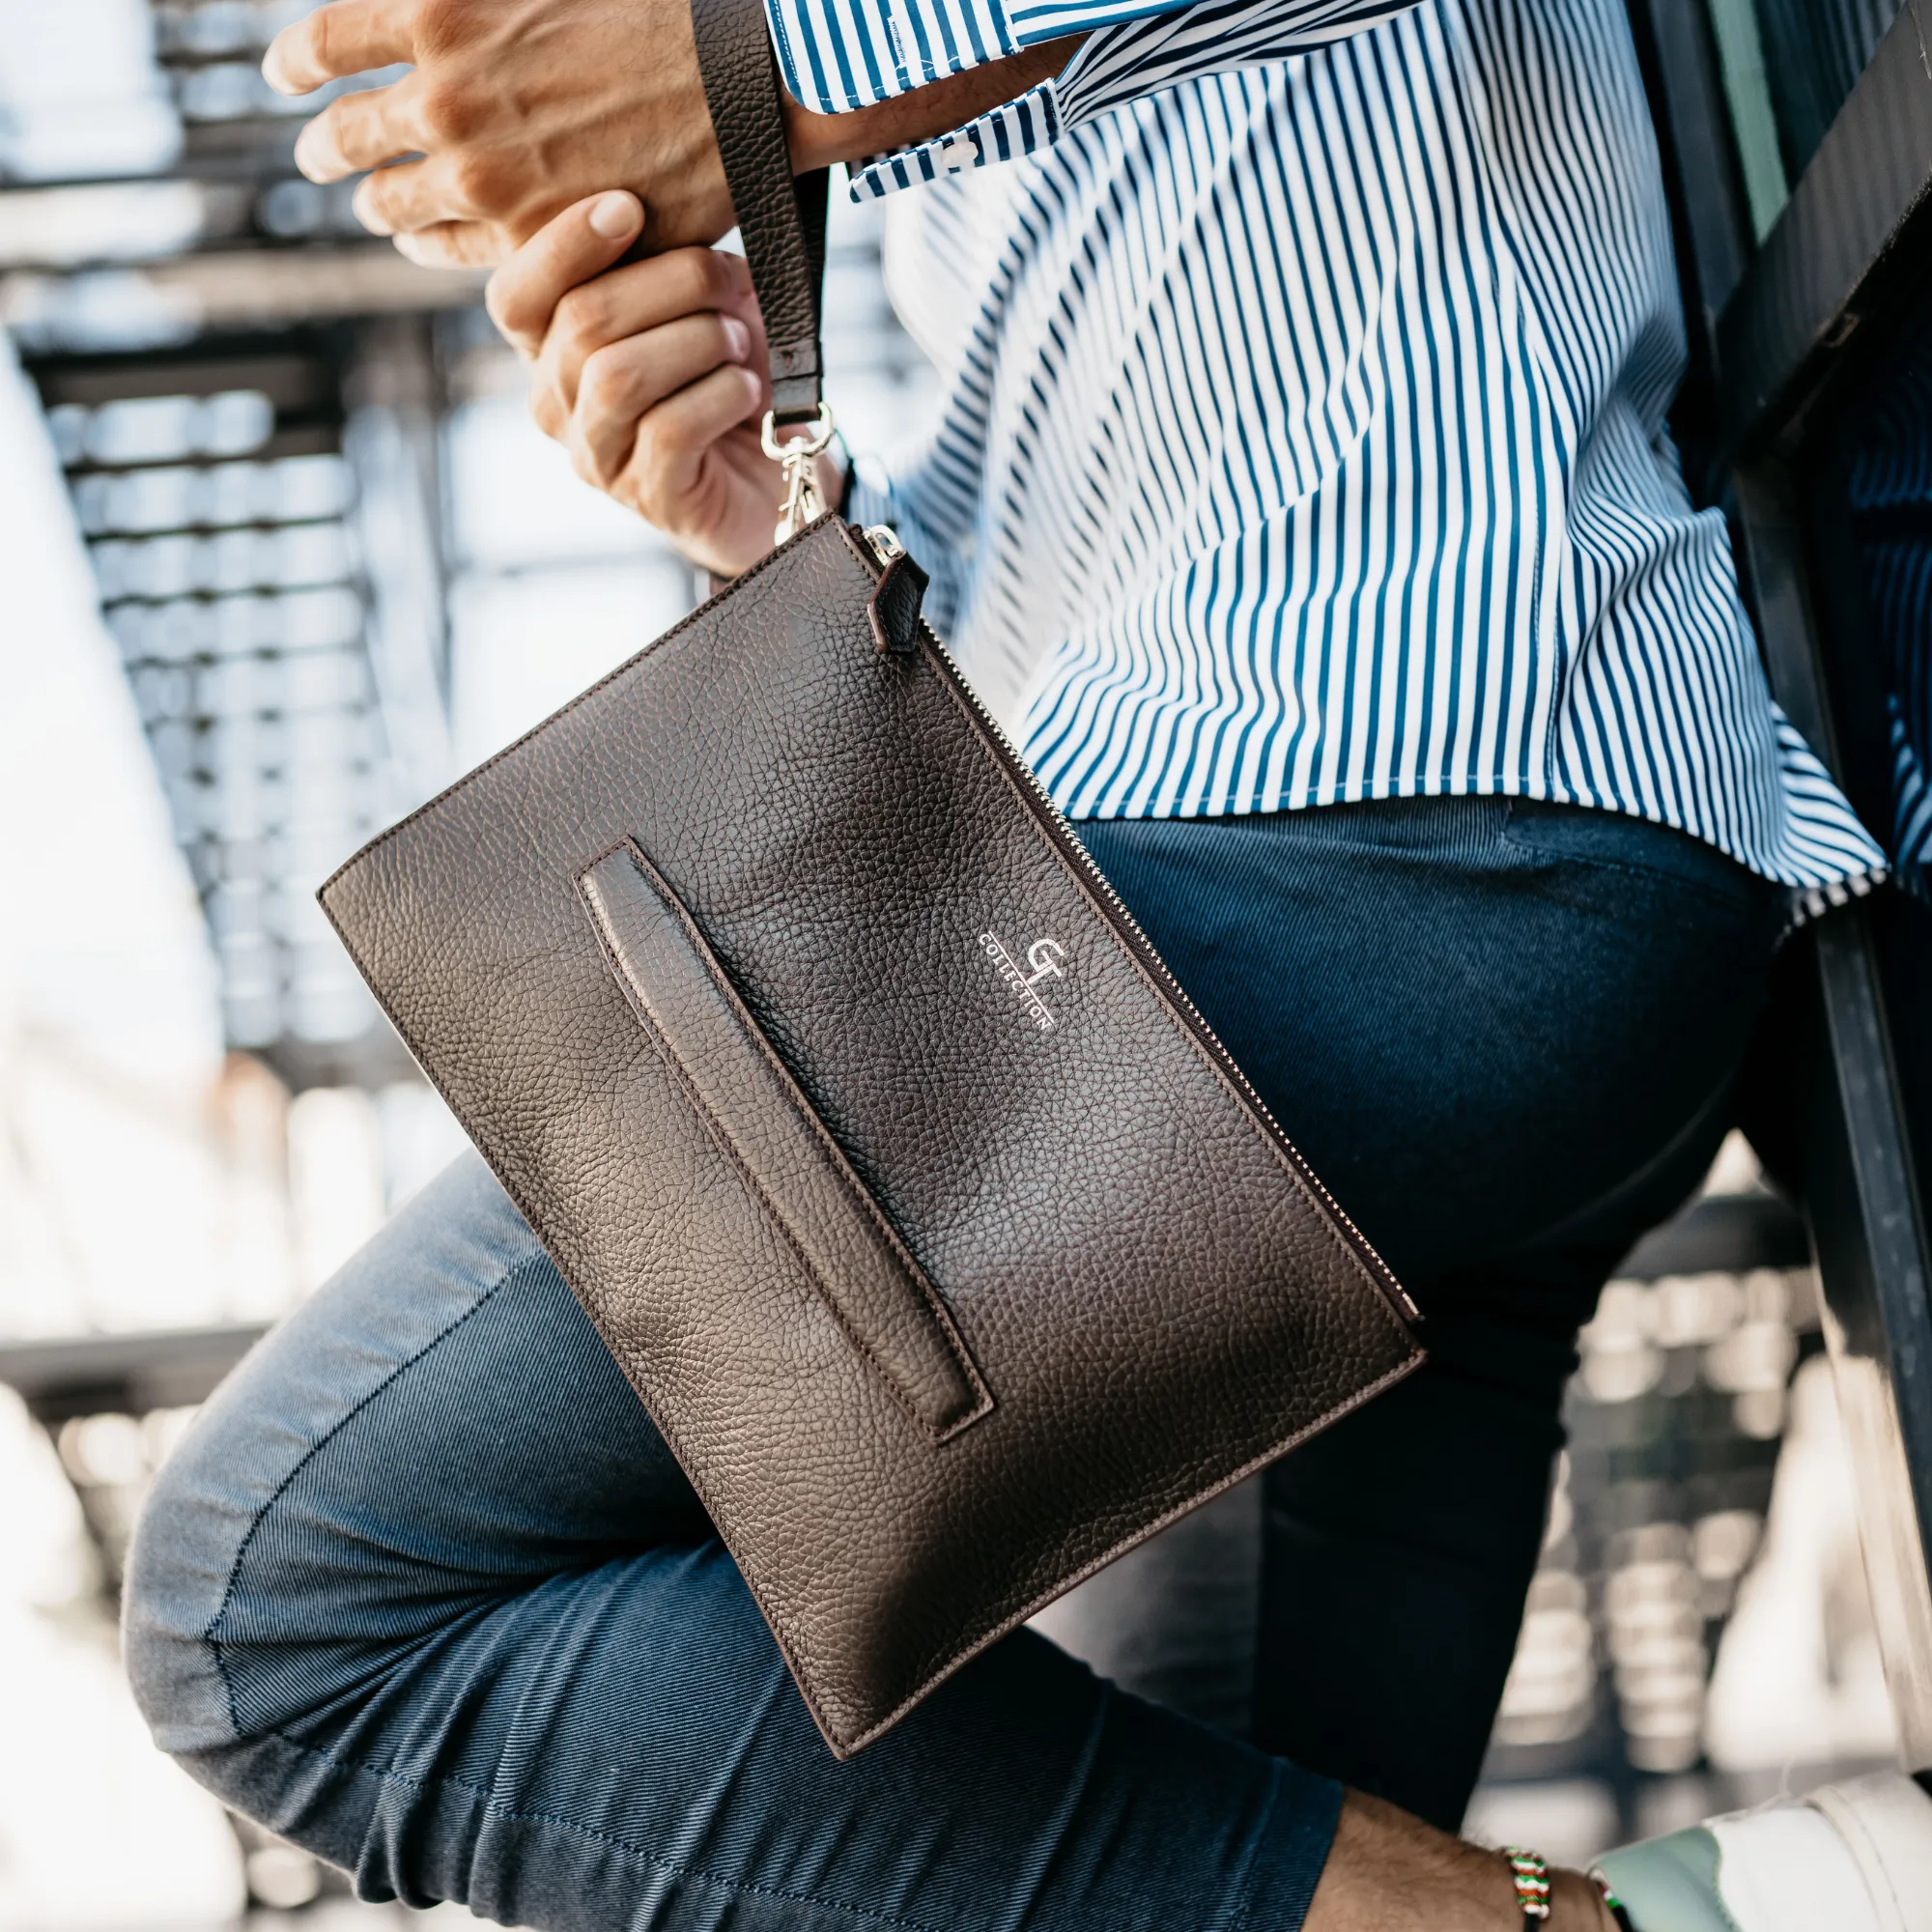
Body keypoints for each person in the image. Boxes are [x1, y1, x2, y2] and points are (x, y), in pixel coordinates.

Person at [121, 0, 1932, 1926]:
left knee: (289, 1600)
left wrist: (757, 56)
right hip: (1339, 910)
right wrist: (777, 530)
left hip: (1382, 812)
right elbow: (1142, 447)